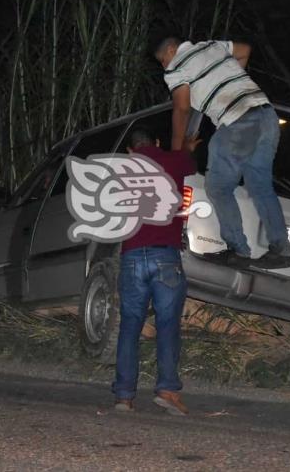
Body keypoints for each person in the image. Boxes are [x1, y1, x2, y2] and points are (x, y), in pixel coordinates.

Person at [154, 36, 290, 270]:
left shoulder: (176, 67)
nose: (164, 66)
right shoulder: (211, 45)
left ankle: (239, 250)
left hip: (237, 121)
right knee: (260, 186)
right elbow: (245, 49)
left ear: (171, 49)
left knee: (218, 188)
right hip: (267, 116)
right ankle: (281, 250)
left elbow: (181, 108)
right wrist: (228, 83)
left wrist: (176, 153)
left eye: (162, 60)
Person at [112, 127, 198, 415]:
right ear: (157, 142)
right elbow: (188, 163)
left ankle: (124, 396)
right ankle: (167, 390)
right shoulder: (172, 161)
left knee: (129, 326)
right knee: (168, 325)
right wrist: (185, 147)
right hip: (165, 256)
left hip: (132, 255)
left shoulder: (123, 170)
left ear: (130, 150)